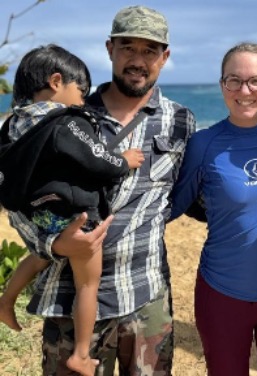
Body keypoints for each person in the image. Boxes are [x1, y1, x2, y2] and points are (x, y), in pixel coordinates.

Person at [8, 6, 196, 375]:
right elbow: (18, 195)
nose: (138, 60)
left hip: (147, 295)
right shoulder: (67, 113)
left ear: (165, 57)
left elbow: (184, 194)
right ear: (110, 49)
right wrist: (54, 244)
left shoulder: (180, 121)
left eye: (150, 50)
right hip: (69, 299)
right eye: (128, 48)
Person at [0, 43, 145, 376]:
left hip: (39, 217)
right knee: (87, 285)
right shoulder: (64, 122)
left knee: (38, 257)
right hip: (74, 218)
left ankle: (6, 300)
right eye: (81, 91)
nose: (83, 99)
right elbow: (96, 158)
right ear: (55, 82)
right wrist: (125, 161)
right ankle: (81, 353)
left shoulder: (12, 125)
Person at [170, 42, 257, 375]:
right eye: (234, 80)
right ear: (222, 86)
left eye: (256, 81)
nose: (245, 90)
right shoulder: (204, 143)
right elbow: (171, 206)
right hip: (221, 294)